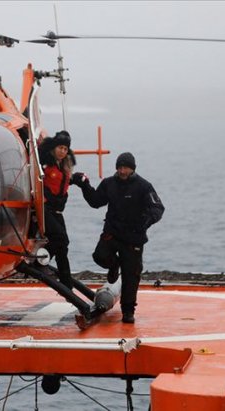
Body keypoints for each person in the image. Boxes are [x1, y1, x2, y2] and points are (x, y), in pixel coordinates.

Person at [71, 152, 164, 323]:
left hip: (134, 238)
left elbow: (158, 208)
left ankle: (128, 311)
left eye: (125, 168)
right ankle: (114, 266)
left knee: (131, 276)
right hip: (112, 233)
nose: (122, 171)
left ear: (132, 169)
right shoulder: (109, 183)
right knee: (99, 256)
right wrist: (84, 186)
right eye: (119, 167)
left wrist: (146, 221)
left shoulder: (144, 186)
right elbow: (95, 201)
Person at [38, 130, 77, 289]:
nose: (62, 151)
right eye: (60, 147)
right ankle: (39, 261)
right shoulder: (46, 164)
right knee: (61, 238)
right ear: (54, 148)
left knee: (63, 246)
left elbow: (64, 183)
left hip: (57, 210)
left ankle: (66, 282)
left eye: (65, 149)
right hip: (45, 208)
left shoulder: (65, 167)